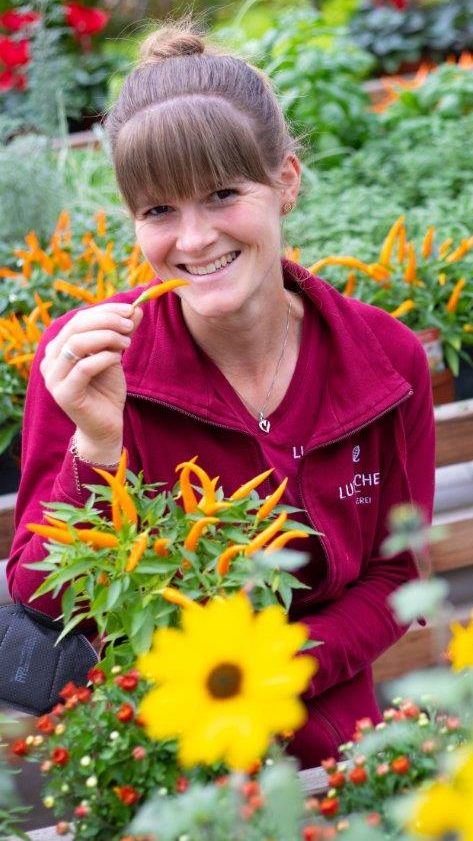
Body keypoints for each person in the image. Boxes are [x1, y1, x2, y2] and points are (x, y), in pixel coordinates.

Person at [8, 23, 435, 769]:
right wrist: (96, 449)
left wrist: (268, 668)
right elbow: (42, 598)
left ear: (286, 183)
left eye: (222, 194)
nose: (194, 238)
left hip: (336, 759)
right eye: (158, 211)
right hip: (161, 760)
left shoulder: (385, 361)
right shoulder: (87, 359)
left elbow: (396, 569)